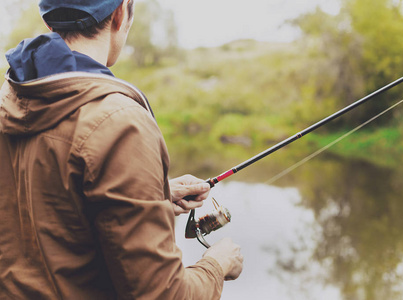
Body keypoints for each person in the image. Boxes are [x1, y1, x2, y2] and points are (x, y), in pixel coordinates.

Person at [0, 0, 243, 299]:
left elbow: (48, 213)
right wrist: (216, 266)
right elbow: (162, 294)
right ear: (120, 14)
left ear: (50, 21)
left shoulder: (9, 102)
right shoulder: (120, 123)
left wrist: (157, 196)